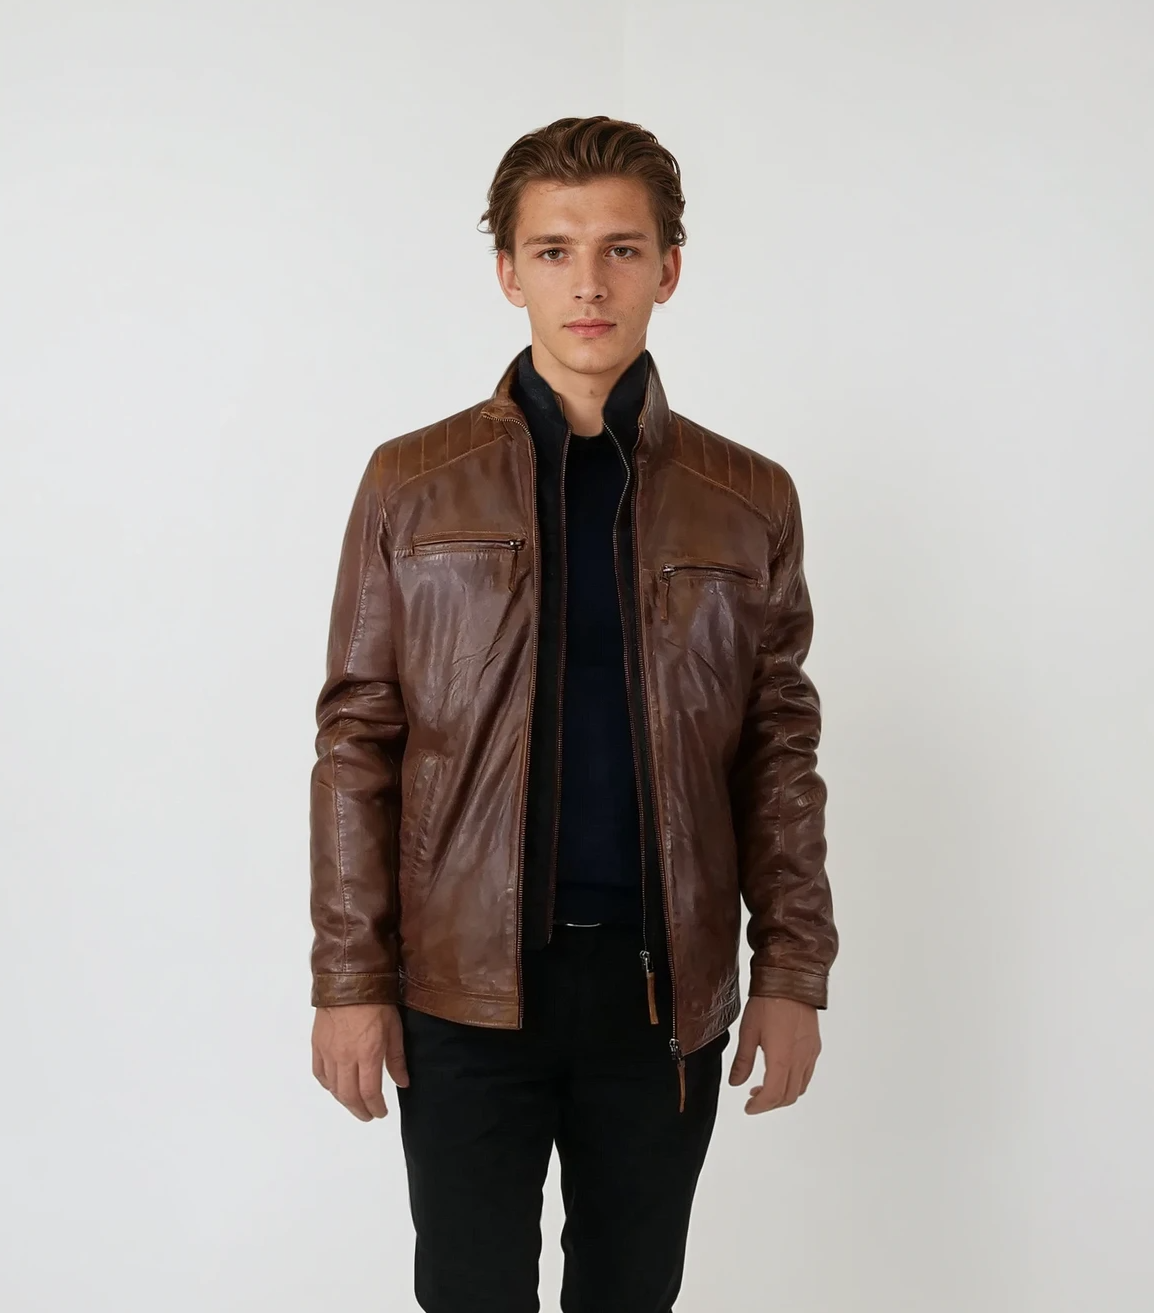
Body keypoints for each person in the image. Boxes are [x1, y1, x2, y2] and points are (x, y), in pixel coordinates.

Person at [308, 114, 839, 1313]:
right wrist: (347, 975)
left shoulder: (747, 498)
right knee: (469, 1294)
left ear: (668, 268)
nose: (587, 283)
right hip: (461, 987)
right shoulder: (411, 482)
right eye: (553, 251)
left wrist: (792, 966)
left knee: (631, 1295)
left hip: (662, 992)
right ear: (508, 272)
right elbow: (356, 740)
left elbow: (777, 748)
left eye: (619, 249)